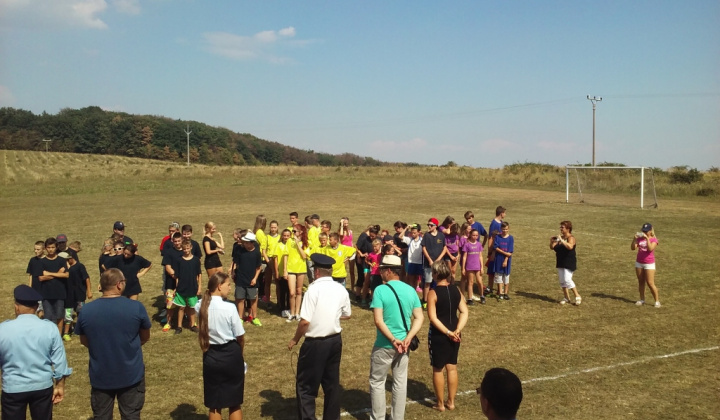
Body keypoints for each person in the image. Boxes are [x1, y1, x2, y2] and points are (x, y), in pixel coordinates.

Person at [75, 268, 151, 420]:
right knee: (131, 415)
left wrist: (101, 346)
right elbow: (145, 337)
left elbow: (84, 340)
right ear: (119, 285)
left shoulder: (86, 310)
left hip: (101, 374)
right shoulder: (136, 307)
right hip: (131, 374)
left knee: (101, 416)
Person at [288, 254, 351, 420]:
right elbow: (347, 314)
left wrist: (295, 340)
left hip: (315, 343)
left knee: (306, 387)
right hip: (335, 340)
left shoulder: (313, 290)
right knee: (331, 385)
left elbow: (304, 322)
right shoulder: (340, 288)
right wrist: (331, 316)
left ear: (316, 272)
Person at [0, 285, 72, 420]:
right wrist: (60, 385)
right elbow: (59, 360)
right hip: (42, 386)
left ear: (16, 307)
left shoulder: (3, 329)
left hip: (13, 387)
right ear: (36, 307)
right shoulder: (49, 328)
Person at [369, 255, 424, 420]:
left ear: (389, 271)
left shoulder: (380, 290)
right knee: (400, 383)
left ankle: (378, 417)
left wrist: (393, 340)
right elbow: (419, 317)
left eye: (382, 270)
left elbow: (378, 320)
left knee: (377, 382)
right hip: (404, 346)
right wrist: (408, 337)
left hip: (385, 345)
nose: (380, 273)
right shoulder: (410, 290)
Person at [197, 272, 246, 420]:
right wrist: (240, 353)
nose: (230, 288)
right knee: (234, 403)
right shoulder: (230, 308)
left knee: (215, 403)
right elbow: (240, 336)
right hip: (231, 354)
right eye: (228, 285)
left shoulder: (200, 306)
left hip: (211, 354)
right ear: (219, 286)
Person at [427, 261, 468, 411]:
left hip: (440, 335)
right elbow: (464, 311)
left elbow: (433, 318)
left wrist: (448, 333)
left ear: (436, 274)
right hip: (455, 333)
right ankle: (451, 401)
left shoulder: (433, 292)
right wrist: (457, 330)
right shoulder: (456, 290)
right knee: (452, 368)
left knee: (438, 368)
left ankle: (440, 404)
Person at [169, 239, 202, 334]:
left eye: (188, 248)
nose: (186, 250)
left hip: (192, 287)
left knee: (192, 307)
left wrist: (199, 287)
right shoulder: (179, 260)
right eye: (184, 249)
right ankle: (179, 326)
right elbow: (177, 276)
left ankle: (193, 324)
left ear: (191, 248)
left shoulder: (196, 260)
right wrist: (176, 287)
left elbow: (199, 274)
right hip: (181, 288)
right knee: (181, 307)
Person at [232, 232, 263, 326]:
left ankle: (254, 317)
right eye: (244, 242)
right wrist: (233, 272)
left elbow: (258, 268)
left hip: (252, 280)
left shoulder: (257, 253)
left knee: (253, 299)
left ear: (251, 243)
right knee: (240, 298)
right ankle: (240, 317)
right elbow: (235, 262)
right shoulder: (239, 251)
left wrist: (255, 278)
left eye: (246, 242)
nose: (244, 244)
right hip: (240, 279)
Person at [39, 237, 69, 334]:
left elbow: (66, 275)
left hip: (60, 292)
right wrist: (57, 274)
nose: (51, 249)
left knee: (60, 315)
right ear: (45, 248)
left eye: (52, 247)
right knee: (48, 316)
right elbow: (41, 277)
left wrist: (49, 274)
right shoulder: (42, 261)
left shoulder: (61, 260)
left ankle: (59, 335)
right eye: (48, 247)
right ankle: (49, 334)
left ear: (56, 247)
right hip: (46, 294)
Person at [61, 251, 92, 342]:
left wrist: (89, 291)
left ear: (71, 258)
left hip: (79, 294)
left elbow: (86, 278)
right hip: (68, 295)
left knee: (80, 312)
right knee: (68, 314)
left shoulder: (80, 266)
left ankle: (81, 330)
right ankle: (66, 333)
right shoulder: (64, 269)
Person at [550, 220, 581, 305]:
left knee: (567, 279)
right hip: (560, 261)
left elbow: (570, 247)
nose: (561, 229)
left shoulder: (571, 238)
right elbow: (552, 248)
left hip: (568, 262)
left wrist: (562, 240)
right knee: (562, 281)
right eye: (560, 227)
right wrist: (551, 241)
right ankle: (566, 297)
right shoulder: (560, 238)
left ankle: (577, 296)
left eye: (562, 227)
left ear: (568, 229)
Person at [632, 223, 660, 307]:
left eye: (646, 231)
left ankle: (657, 301)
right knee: (641, 281)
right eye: (643, 231)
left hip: (649, 263)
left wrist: (647, 239)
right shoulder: (640, 239)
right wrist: (634, 240)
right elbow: (633, 248)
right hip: (639, 262)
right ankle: (642, 299)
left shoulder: (654, 240)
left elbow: (650, 248)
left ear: (650, 231)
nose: (644, 232)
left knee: (650, 283)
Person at [421, 218, 447, 307]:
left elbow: (444, 248)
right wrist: (430, 260)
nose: (429, 226)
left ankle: (437, 299)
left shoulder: (441, 236)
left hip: (439, 263)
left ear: (436, 226)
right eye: (428, 225)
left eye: (431, 225)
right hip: (429, 264)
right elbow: (423, 248)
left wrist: (438, 259)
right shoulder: (426, 236)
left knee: (439, 282)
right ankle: (425, 301)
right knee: (427, 282)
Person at [286, 224, 309, 322]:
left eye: (295, 231)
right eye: (293, 231)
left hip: (301, 269)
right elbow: (286, 254)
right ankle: (291, 313)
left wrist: (298, 244)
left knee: (299, 291)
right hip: (291, 269)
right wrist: (284, 270)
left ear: (301, 232)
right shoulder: (289, 241)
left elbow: (304, 256)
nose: (293, 233)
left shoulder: (306, 243)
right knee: (292, 292)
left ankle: (297, 313)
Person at [462, 229, 485, 304]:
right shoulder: (467, 244)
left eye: (476, 235)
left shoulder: (479, 244)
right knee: (470, 282)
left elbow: (480, 256)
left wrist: (482, 267)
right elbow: (464, 257)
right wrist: (463, 268)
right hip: (470, 266)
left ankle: (482, 295)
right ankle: (470, 298)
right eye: (473, 235)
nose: (475, 237)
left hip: (477, 266)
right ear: (470, 235)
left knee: (479, 282)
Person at [486, 207, 506, 296]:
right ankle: (490, 287)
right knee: (491, 270)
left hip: (500, 250)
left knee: (499, 270)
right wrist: (490, 251)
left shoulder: (501, 223)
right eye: (504, 213)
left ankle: (499, 289)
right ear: (501, 213)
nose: (505, 215)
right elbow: (490, 237)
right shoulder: (494, 224)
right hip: (494, 250)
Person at [492, 222, 514, 301]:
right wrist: (504, 253)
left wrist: (506, 259)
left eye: (506, 229)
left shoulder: (510, 238)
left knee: (506, 277)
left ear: (509, 229)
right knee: (499, 276)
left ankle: (505, 293)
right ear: (501, 229)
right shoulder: (498, 237)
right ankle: (500, 293)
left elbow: (510, 251)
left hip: (507, 260)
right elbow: (495, 247)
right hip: (498, 259)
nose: (505, 230)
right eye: (503, 229)